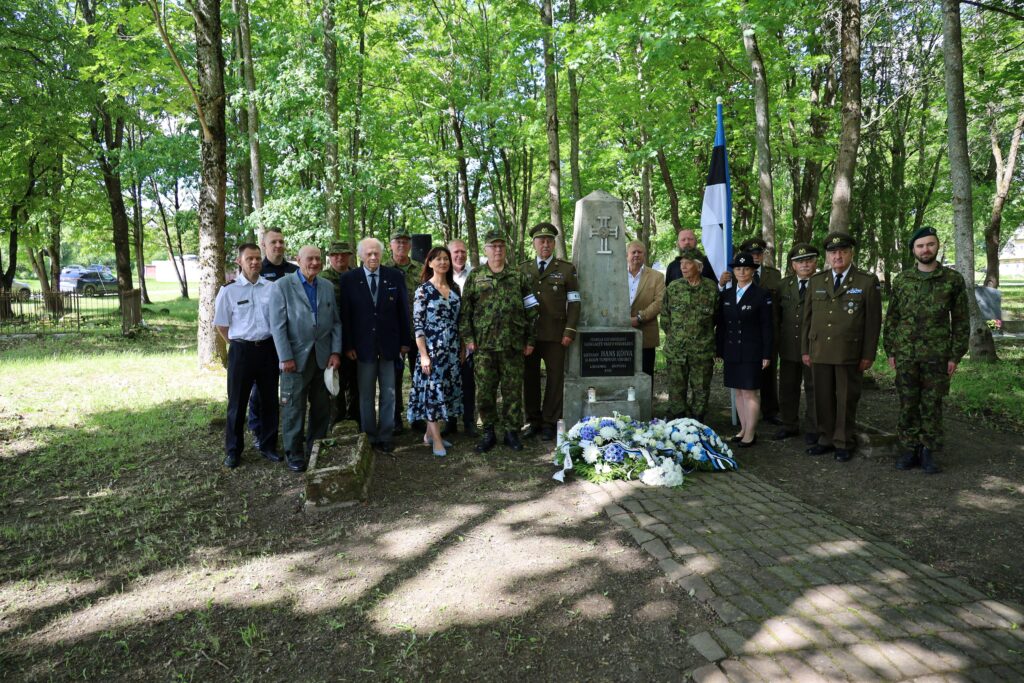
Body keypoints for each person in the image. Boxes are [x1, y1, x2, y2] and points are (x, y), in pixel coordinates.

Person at [883, 227, 969, 474]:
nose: (925, 249)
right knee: (908, 402)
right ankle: (909, 449)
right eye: (920, 246)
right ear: (913, 250)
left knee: (932, 404)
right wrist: (890, 350)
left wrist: (955, 355)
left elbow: (961, 321)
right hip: (906, 354)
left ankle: (929, 450)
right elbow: (893, 317)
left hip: (937, 355)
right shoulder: (902, 280)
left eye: (930, 244)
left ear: (937, 246)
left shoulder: (952, 280)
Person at [801, 232, 882, 462]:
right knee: (822, 397)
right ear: (827, 256)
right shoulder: (817, 281)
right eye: (833, 252)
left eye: (842, 251)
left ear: (850, 253)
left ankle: (844, 441)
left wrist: (868, 354)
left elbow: (873, 322)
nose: (838, 256)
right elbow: (807, 319)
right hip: (819, 351)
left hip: (849, 352)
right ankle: (825, 438)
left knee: (846, 398)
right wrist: (805, 350)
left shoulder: (866, 281)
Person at [460, 230, 539, 452]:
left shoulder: (518, 276)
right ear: (485, 250)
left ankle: (511, 432)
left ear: (506, 249)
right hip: (484, 346)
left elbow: (532, 309)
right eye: (493, 246)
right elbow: (465, 312)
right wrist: (468, 339)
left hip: (513, 345)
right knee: (485, 391)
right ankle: (488, 432)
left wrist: (530, 340)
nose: (497, 250)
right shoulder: (475, 277)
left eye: (501, 246)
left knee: (512, 391)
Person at [268, 246, 343, 472]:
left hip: (323, 358)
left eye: (318, 259)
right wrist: (285, 357)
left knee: (321, 406)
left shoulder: (327, 286)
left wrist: (335, 352)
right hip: (295, 359)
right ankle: (294, 453)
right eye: (309, 259)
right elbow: (277, 326)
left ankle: (316, 447)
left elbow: (336, 323)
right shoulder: (282, 286)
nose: (314, 263)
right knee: (294, 407)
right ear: (298, 260)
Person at [339, 238, 411, 453]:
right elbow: (346, 315)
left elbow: (402, 311)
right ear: (361, 256)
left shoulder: (394, 276)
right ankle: (369, 435)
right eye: (369, 254)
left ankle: (386, 434)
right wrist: (349, 344)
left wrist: (405, 342)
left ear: (381, 254)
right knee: (366, 393)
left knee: (389, 392)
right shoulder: (349, 279)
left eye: (376, 253)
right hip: (362, 347)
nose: (373, 257)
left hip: (389, 345)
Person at [213, 243, 281, 469]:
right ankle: (233, 450)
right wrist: (237, 344)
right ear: (239, 262)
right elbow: (221, 325)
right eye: (249, 259)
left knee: (270, 400)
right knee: (237, 403)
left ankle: (268, 445)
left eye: (257, 258)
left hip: (268, 349)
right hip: (241, 351)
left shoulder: (271, 288)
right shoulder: (228, 290)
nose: (254, 262)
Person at [520, 222, 581, 441]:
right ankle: (533, 420)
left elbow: (574, 302)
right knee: (530, 378)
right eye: (541, 241)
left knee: (555, 379)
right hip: (530, 336)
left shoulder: (566, 269)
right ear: (534, 244)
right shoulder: (523, 269)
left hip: (556, 335)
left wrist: (569, 330)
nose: (545, 244)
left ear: (554, 243)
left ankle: (549, 421)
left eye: (549, 241)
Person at [408, 247, 464, 457]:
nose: (443, 262)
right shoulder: (423, 291)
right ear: (429, 263)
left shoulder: (455, 288)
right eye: (438, 259)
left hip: (451, 349)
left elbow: (460, 321)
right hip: (431, 351)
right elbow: (418, 326)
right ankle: (437, 440)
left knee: (446, 392)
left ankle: (429, 436)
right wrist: (423, 355)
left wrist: (460, 346)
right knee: (433, 394)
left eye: (446, 259)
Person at [248, 228, 298, 449]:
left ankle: (290, 431)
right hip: (267, 341)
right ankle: (259, 430)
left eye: (281, 241)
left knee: (291, 390)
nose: (278, 245)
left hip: (292, 339)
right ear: (264, 245)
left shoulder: (294, 271)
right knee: (262, 391)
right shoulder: (258, 270)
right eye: (273, 242)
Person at [716, 252, 773, 447]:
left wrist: (767, 353)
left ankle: (751, 432)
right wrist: (719, 349)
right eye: (738, 268)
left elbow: (767, 326)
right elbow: (722, 325)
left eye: (746, 268)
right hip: (732, 350)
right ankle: (743, 428)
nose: (741, 272)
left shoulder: (761, 294)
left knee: (750, 392)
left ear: (752, 271)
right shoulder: (726, 294)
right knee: (738, 392)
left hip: (752, 351)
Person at [661, 247, 718, 421]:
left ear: (698, 266)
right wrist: (676, 337)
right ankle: (677, 422)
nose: (683, 267)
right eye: (681, 264)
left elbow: (715, 317)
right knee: (676, 389)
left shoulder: (711, 288)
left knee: (701, 389)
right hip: (676, 350)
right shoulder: (674, 287)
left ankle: (697, 423)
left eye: (688, 263)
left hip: (701, 351)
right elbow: (665, 317)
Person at [773, 242, 819, 444]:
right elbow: (776, 316)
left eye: (809, 260)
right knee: (787, 387)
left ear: (816, 262)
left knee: (813, 388)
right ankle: (789, 424)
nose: (805, 265)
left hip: (814, 346)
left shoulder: (823, 283)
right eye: (800, 261)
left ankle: (814, 427)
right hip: (789, 346)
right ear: (793, 265)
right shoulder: (783, 285)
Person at [738, 236, 783, 425]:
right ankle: (746, 413)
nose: (756, 257)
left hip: (768, 329)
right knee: (746, 374)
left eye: (759, 253)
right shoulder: (737, 273)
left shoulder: (774, 275)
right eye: (751, 253)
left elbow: (780, 304)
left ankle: (770, 410)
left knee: (769, 372)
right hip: (746, 332)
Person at [320, 241, 360, 426]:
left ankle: (355, 418)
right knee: (335, 380)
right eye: (335, 255)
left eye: (344, 254)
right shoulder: (323, 279)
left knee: (355, 380)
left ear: (350, 256)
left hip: (354, 335)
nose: (340, 258)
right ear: (330, 257)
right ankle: (336, 420)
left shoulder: (357, 276)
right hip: (331, 337)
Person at [386, 228, 421, 434]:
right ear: (390, 245)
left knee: (419, 375)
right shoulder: (384, 269)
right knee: (394, 377)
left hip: (418, 332)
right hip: (394, 332)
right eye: (397, 241)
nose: (401, 245)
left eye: (405, 242)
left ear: (410, 245)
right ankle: (395, 417)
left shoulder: (421, 269)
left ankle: (416, 415)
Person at [447, 239, 477, 436]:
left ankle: (469, 421)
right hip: (448, 338)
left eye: (463, 252)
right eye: (456, 252)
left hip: (471, 337)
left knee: (468, 380)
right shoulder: (442, 275)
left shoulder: (476, 274)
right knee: (449, 380)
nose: (460, 255)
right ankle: (450, 422)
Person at [627, 240, 665, 379]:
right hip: (620, 331)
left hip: (646, 332)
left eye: (640, 252)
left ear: (644, 255)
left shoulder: (657, 277)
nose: (636, 255)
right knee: (623, 372)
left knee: (645, 374)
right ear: (627, 255)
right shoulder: (616, 274)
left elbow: (659, 302)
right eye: (633, 252)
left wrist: (639, 318)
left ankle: (646, 401)